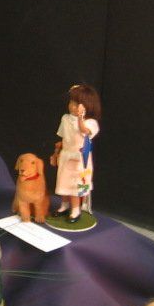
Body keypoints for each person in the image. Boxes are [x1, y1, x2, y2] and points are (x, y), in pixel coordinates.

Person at [49, 83, 101, 222]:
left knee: (76, 185)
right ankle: (64, 205)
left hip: (80, 159)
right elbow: (63, 137)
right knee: (63, 182)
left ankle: (76, 209)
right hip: (66, 156)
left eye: (77, 104)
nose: (72, 106)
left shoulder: (90, 123)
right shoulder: (65, 118)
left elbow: (84, 131)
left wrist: (80, 118)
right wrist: (56, 152)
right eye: (71, 102)